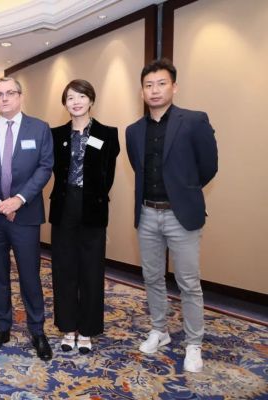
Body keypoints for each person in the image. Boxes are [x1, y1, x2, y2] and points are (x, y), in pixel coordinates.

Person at [125, 58, 218, 373]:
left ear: (174, 87)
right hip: (147, 213)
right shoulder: (134, 131)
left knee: (188, 282)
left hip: (181, 215)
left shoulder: (193, 121)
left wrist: (185, 192)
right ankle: (159, 330)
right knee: (152, 277)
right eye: (148, 85)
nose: (155, 90)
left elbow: (209, 166)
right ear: (142, 91)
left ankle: (194, 343)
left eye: (161, 83)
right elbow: (138, 167)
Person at [0, 77, 54, 361]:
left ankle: (37, 330)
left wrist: (18, 199)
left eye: (10, 93)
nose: (4, 98)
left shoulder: (39, 128)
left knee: (30, 275)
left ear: (20, 96)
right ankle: (2, 327)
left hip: (25, 215)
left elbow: (45, 167)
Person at [49, 79, 120, 354]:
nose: (76, 102)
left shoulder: (108, 133)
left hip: (93, 208)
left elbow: (108, 176)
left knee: (91, 271)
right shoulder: (55, 135)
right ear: (64, 103)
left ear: (91, 100)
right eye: (70, 97)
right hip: (63, 207)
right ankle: (68, 327)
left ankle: (88, 330)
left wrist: (91, 196)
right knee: (64, 269)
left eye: (81, 96)